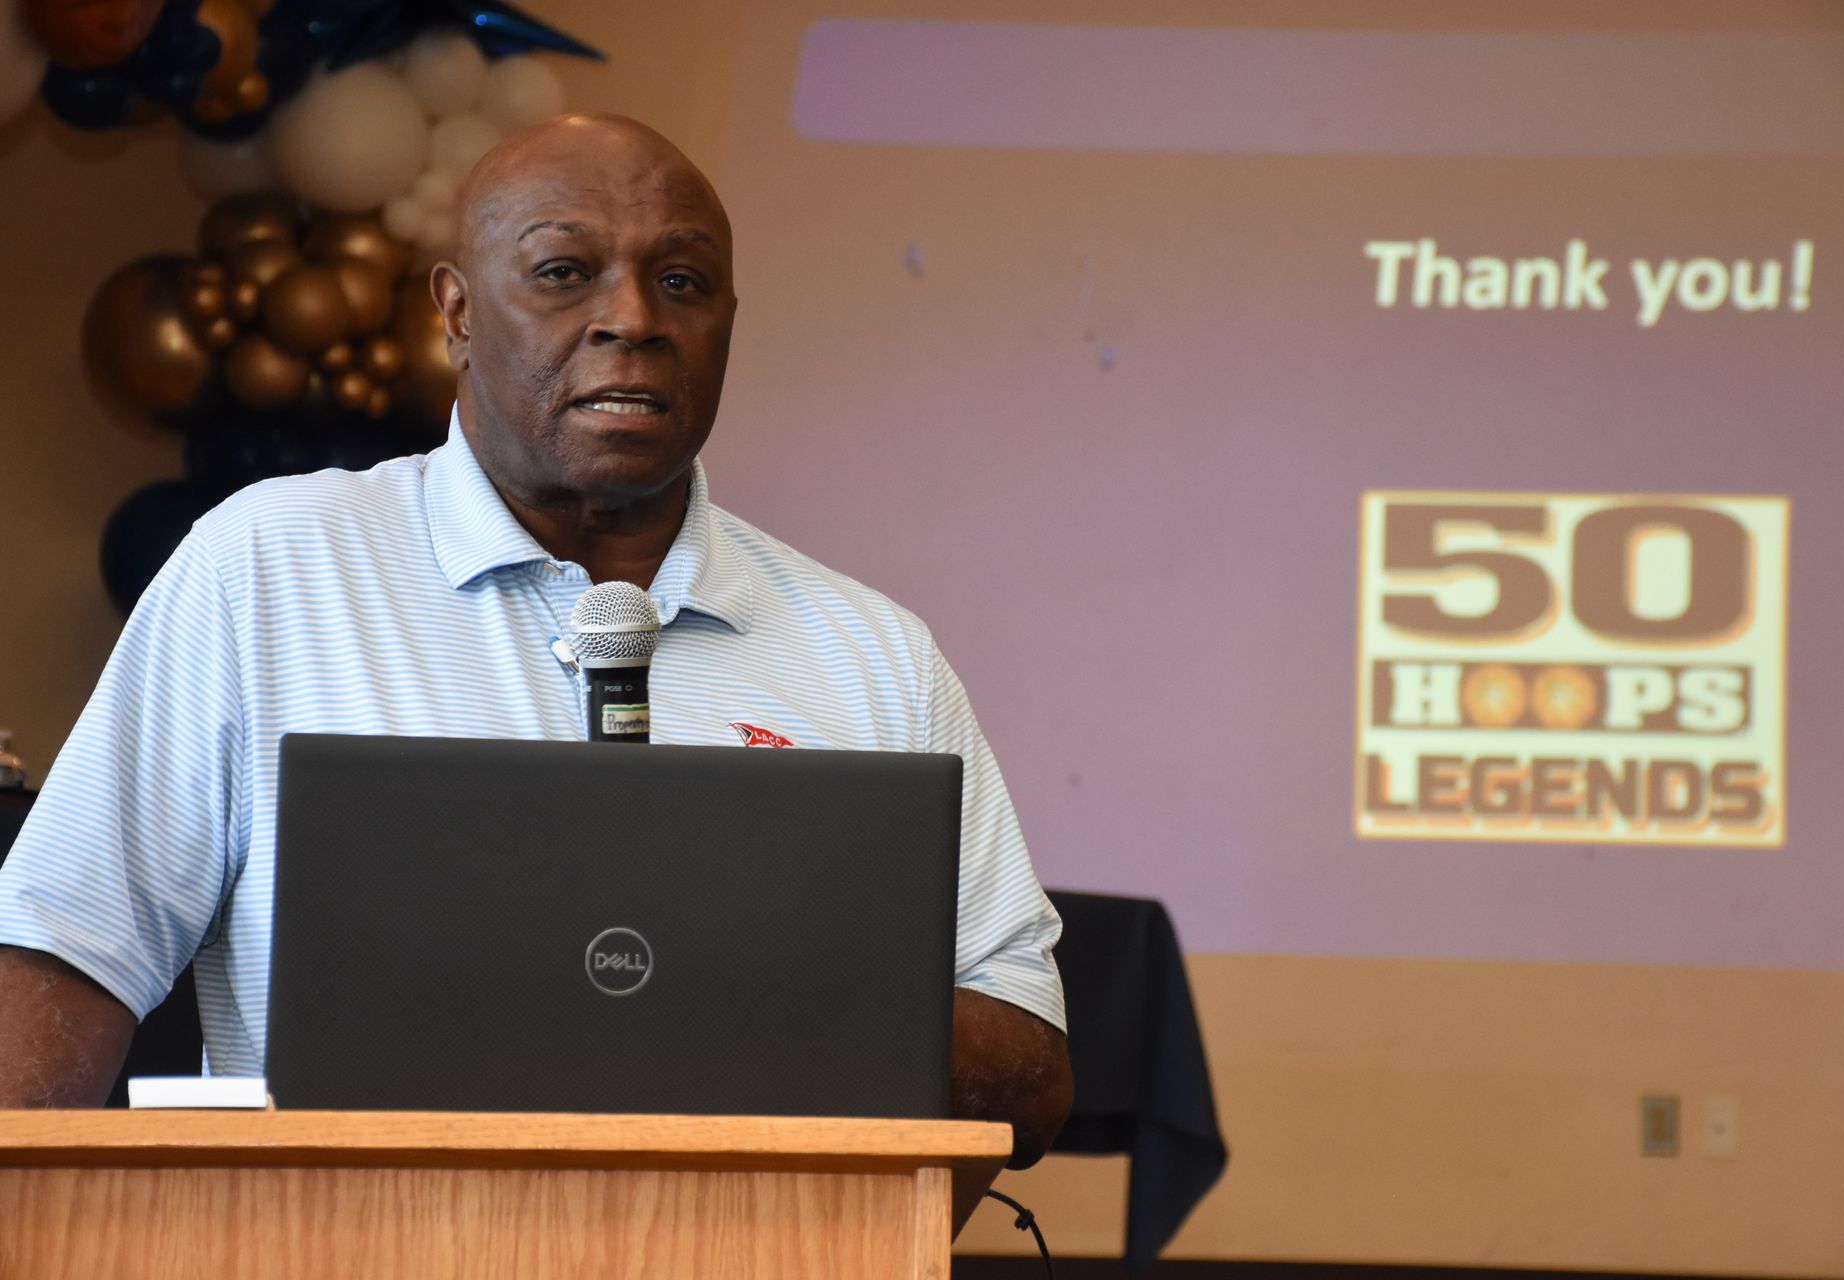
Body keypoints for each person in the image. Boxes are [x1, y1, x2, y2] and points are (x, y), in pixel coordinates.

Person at [0, 114, 1072, 1166]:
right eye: (564, 271)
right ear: (457, 314)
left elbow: (1028, 1069)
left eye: (684, 283)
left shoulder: (872, 654)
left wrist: (759, 986)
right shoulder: (270, 568)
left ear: (729, 323)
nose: (632, 317)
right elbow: (66, 953)